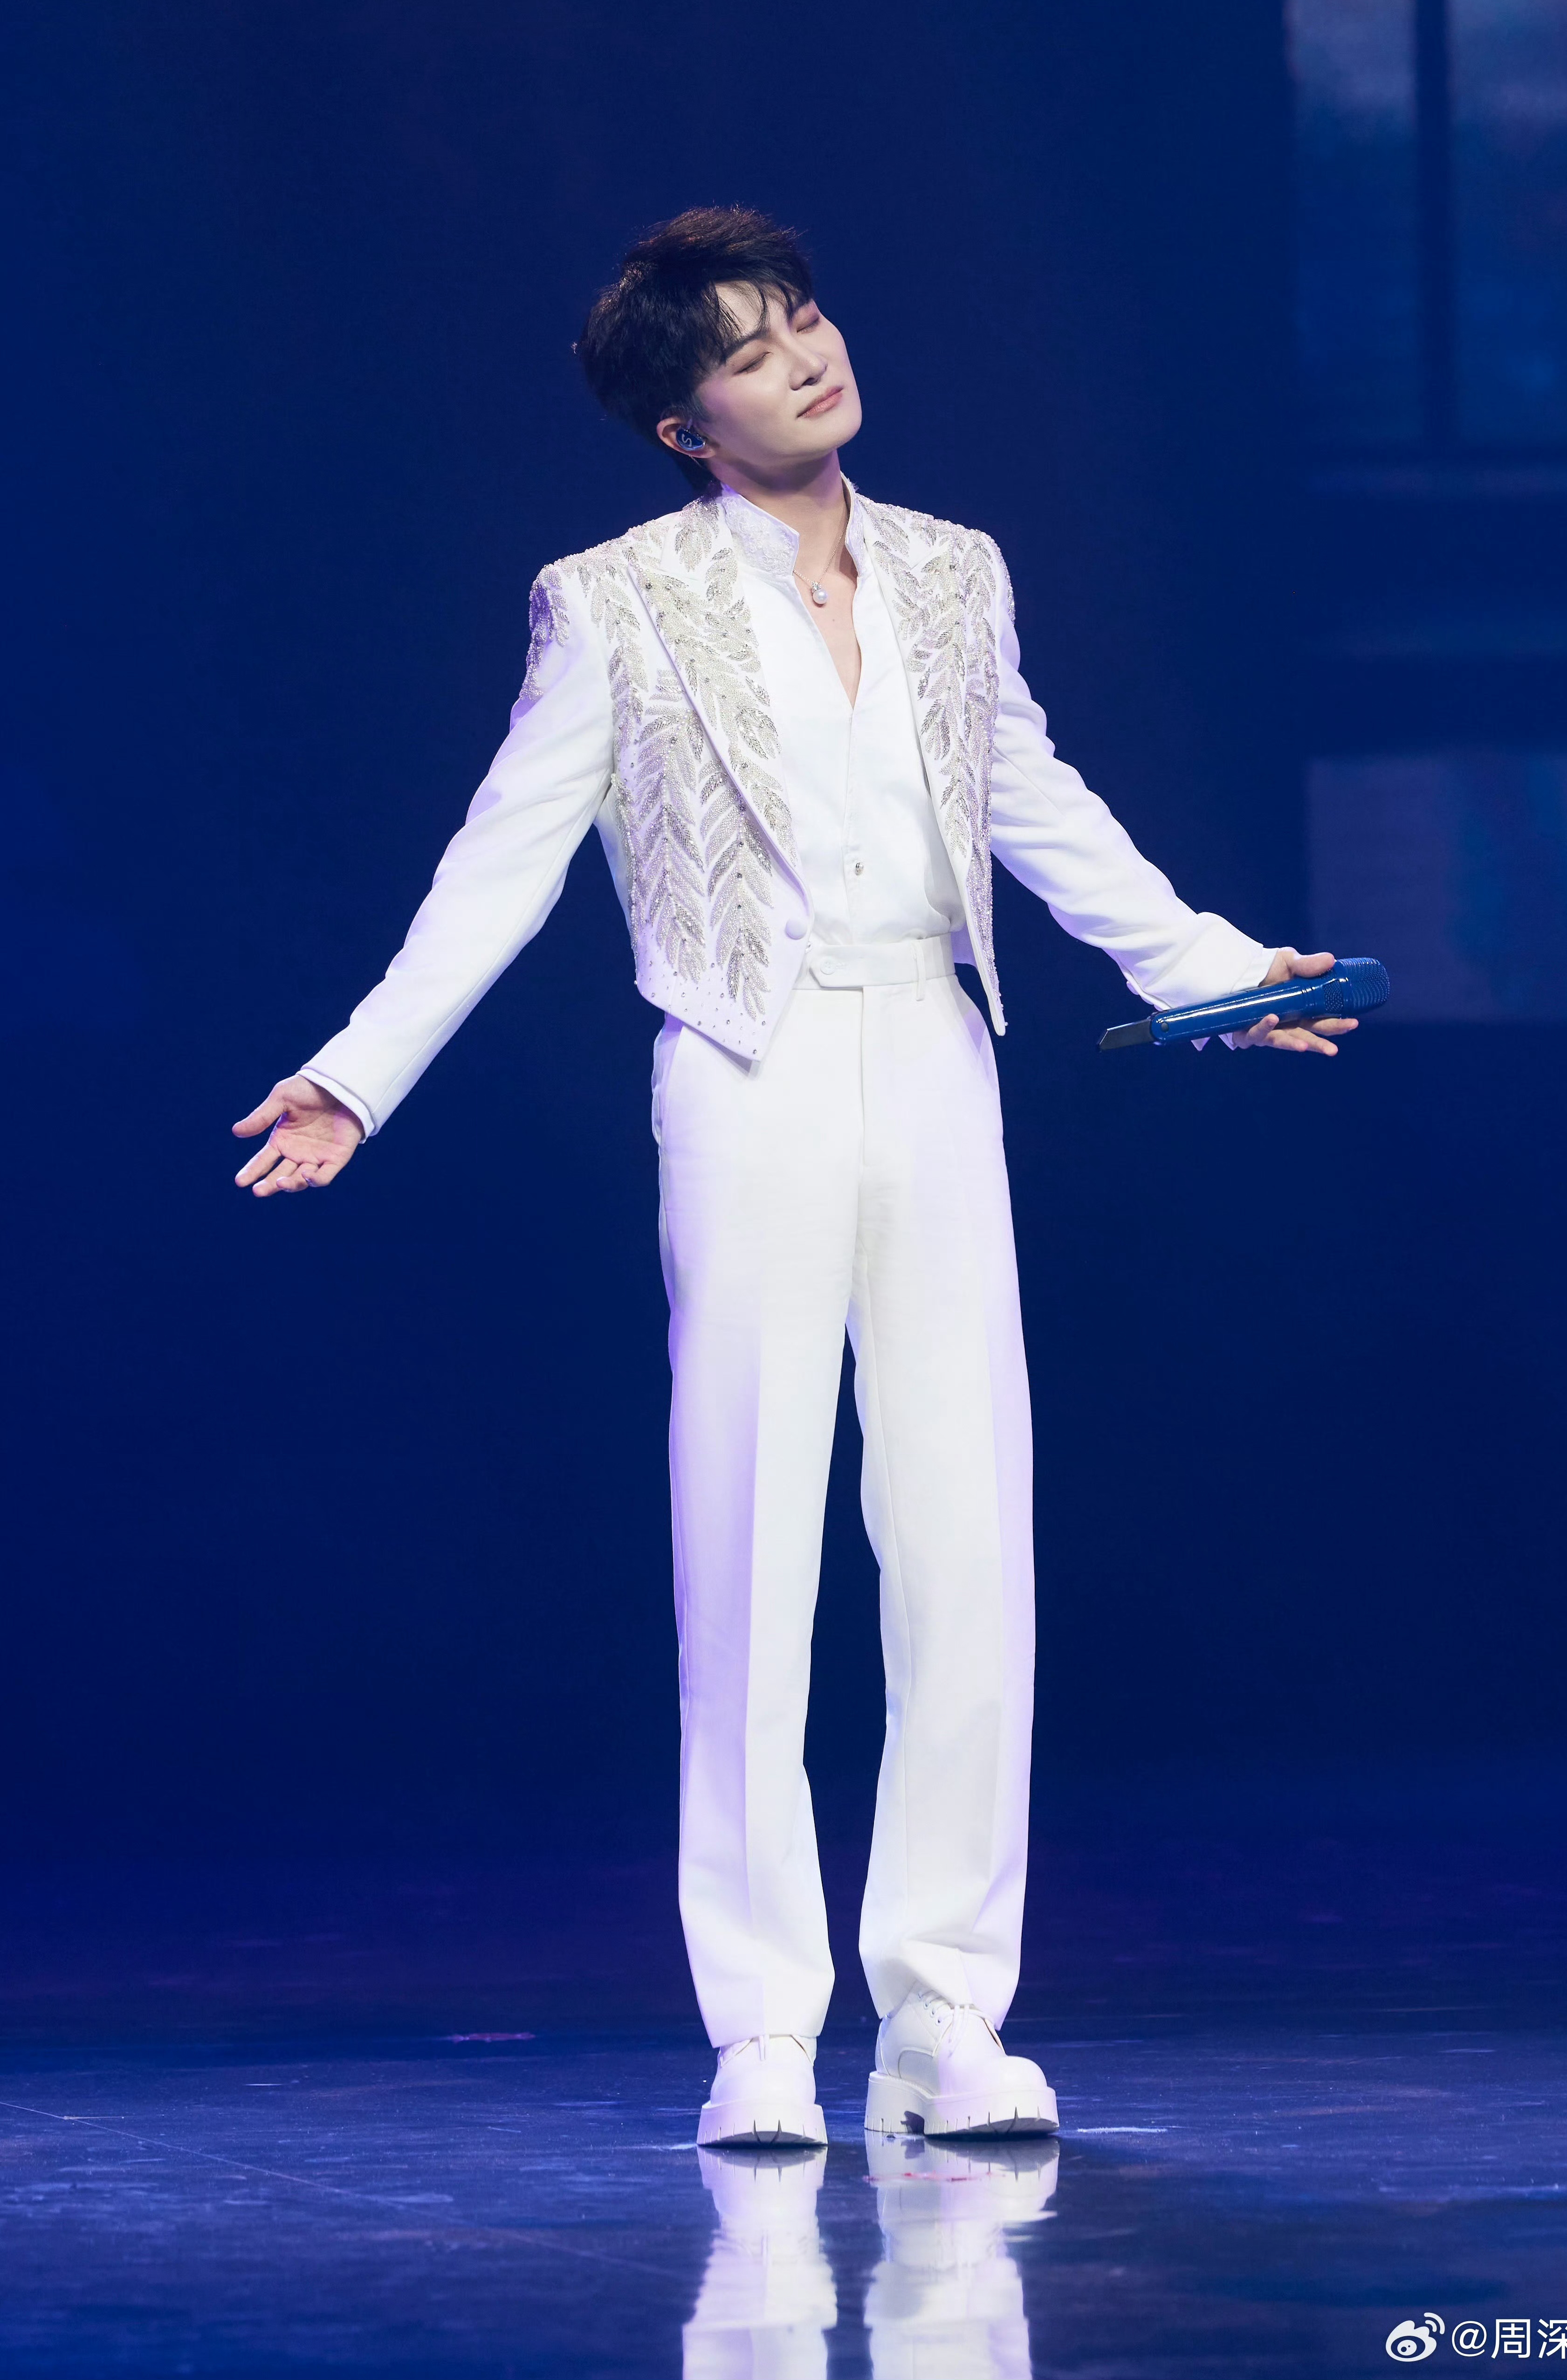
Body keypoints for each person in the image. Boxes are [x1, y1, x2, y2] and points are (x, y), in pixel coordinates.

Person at [233, 207, 1356, 2149]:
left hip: (930, 1048)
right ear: (687, 423)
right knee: (748, 1540)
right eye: (749, 351)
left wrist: (1205, 977)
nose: (805, 359)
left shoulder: (952, 569)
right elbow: (500, 862)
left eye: (806, 319)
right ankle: (760, 2029)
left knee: (964, 1539)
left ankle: (944, 2015)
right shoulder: (613, 602)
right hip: (744, 1062)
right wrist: (357, 1072)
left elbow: (1032, 801)